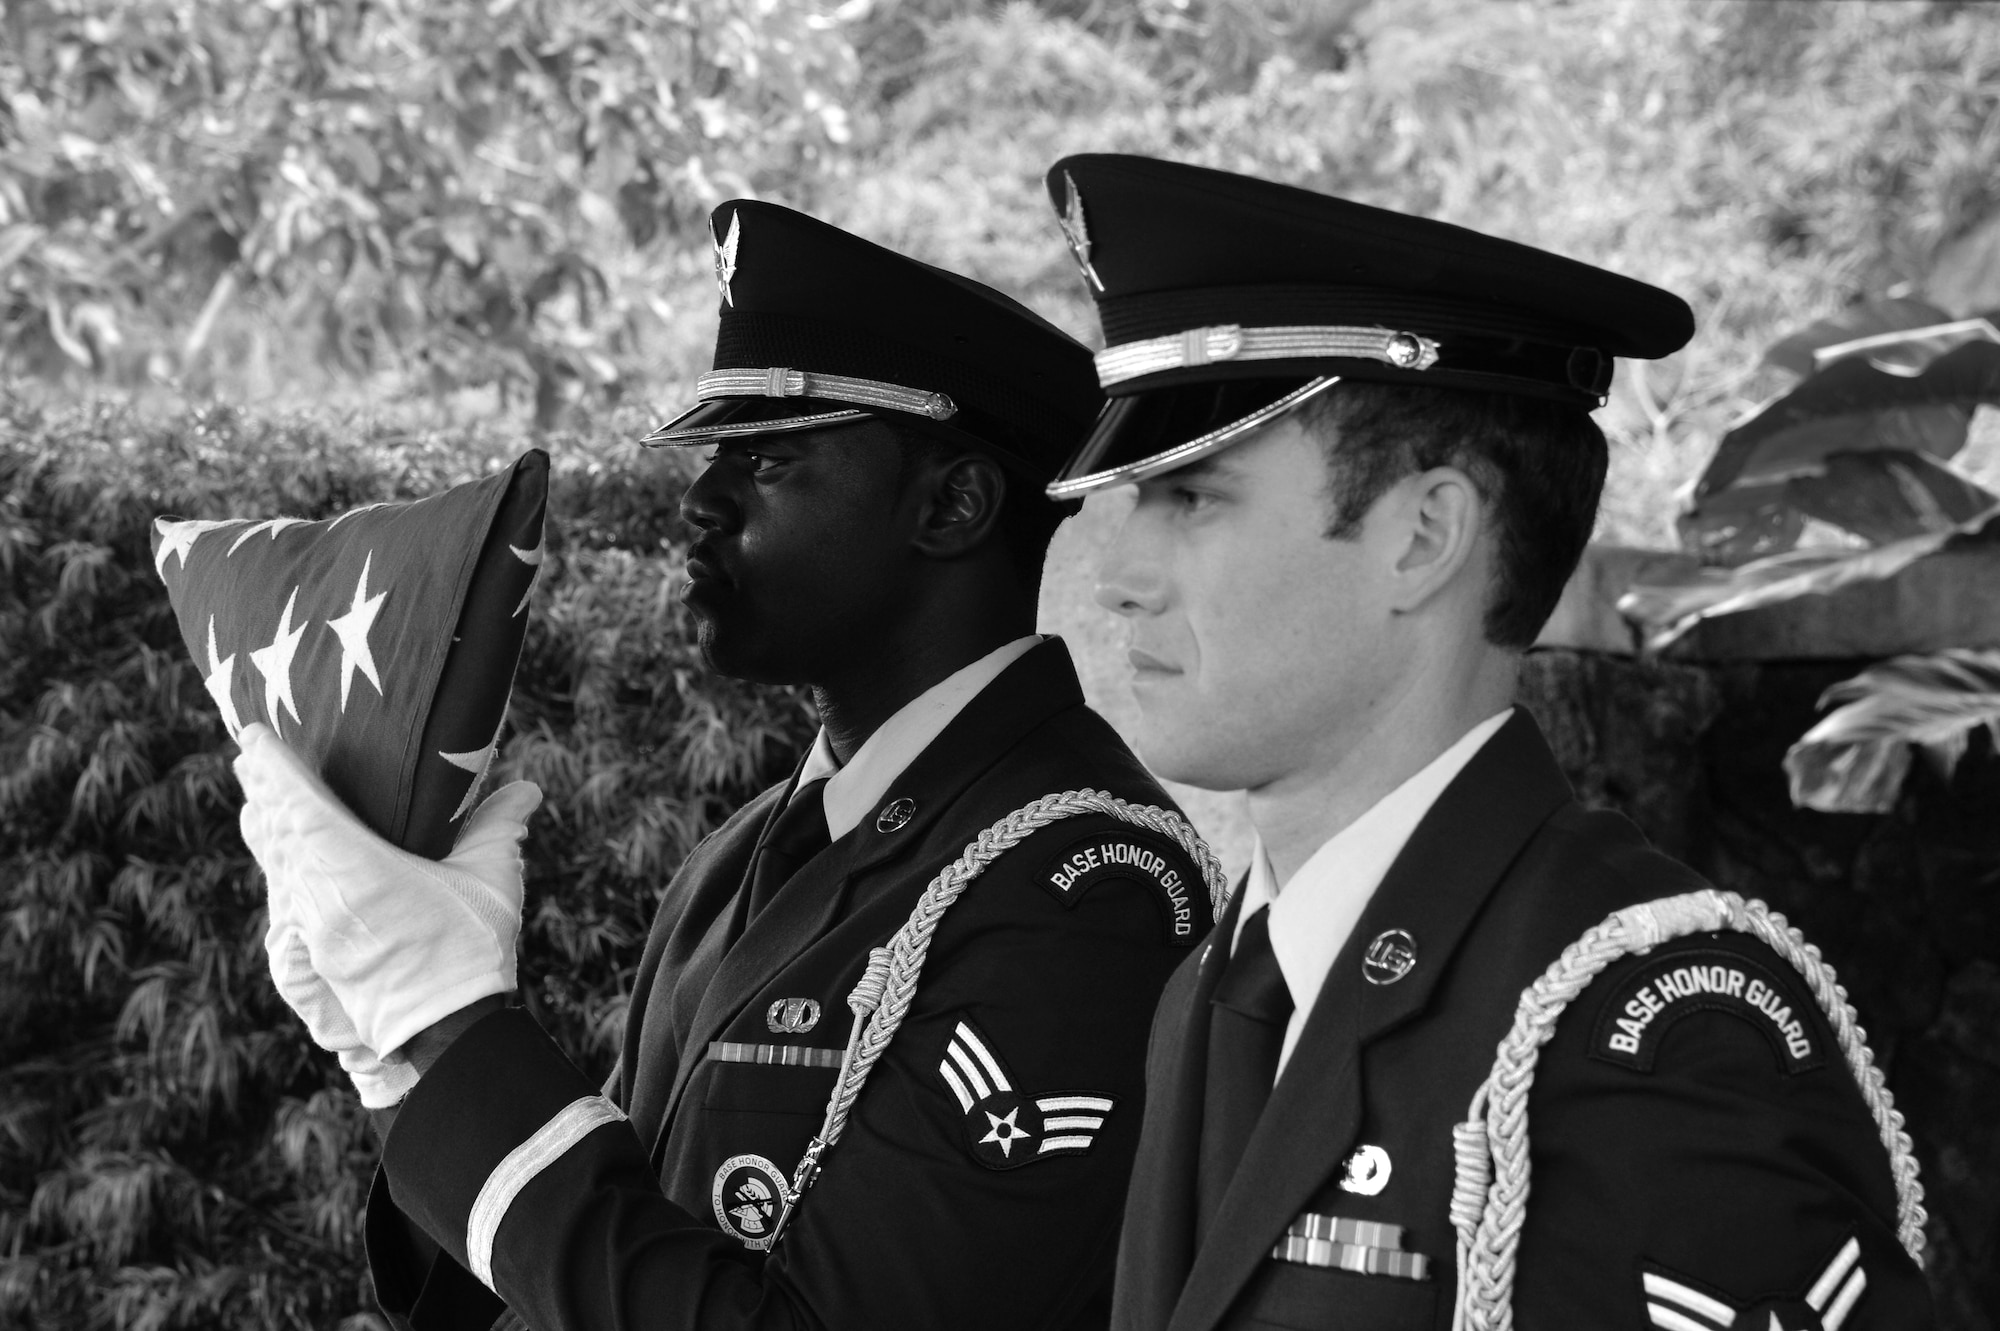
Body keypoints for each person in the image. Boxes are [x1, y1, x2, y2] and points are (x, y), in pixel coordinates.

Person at [235, 200, 1221, 1331]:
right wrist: (397, 1056)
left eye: (771, 458)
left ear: (951, 504)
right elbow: (575, 1274)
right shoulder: (742, 856)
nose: (699, 501)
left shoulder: (1084, 886)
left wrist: (449, 1021)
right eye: (715, 455)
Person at [1038, 154, 1933, 1330]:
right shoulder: (1212, 993)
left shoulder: (1647, 1037)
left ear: (1421, 537)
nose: (1115, 576)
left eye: (1193, 496)